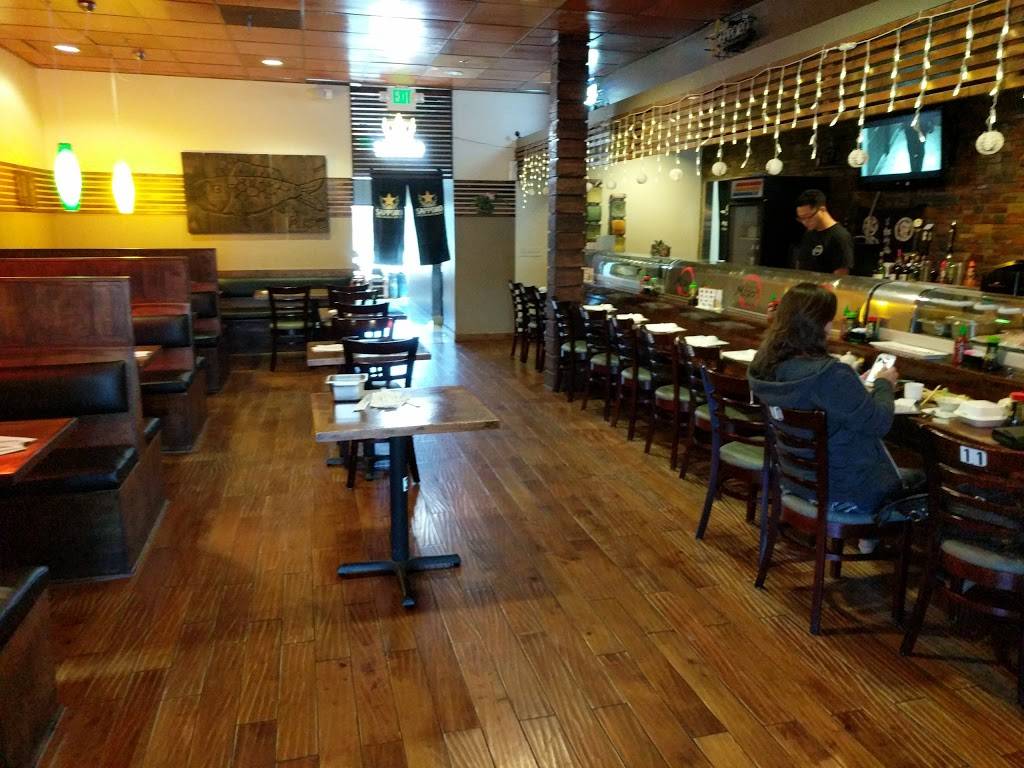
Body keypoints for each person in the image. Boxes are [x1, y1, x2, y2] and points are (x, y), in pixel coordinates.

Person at [748, 283, 921, 537]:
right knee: (928, 481)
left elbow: (820, 397)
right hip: (844, 493)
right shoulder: (830, 373)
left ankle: (870, 541)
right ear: (823, 325)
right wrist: (885, 384)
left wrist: (854, 385)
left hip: (796, 483)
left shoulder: (764, 365)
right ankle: (880, 541)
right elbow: (879, 423)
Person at [793, 189, 854, 275]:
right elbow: (801, 263)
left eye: (808, 217)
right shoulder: (809, 233)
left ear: (822, 210)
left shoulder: (840, 236)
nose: (805, 222)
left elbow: (840, 275)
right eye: (801, 218)